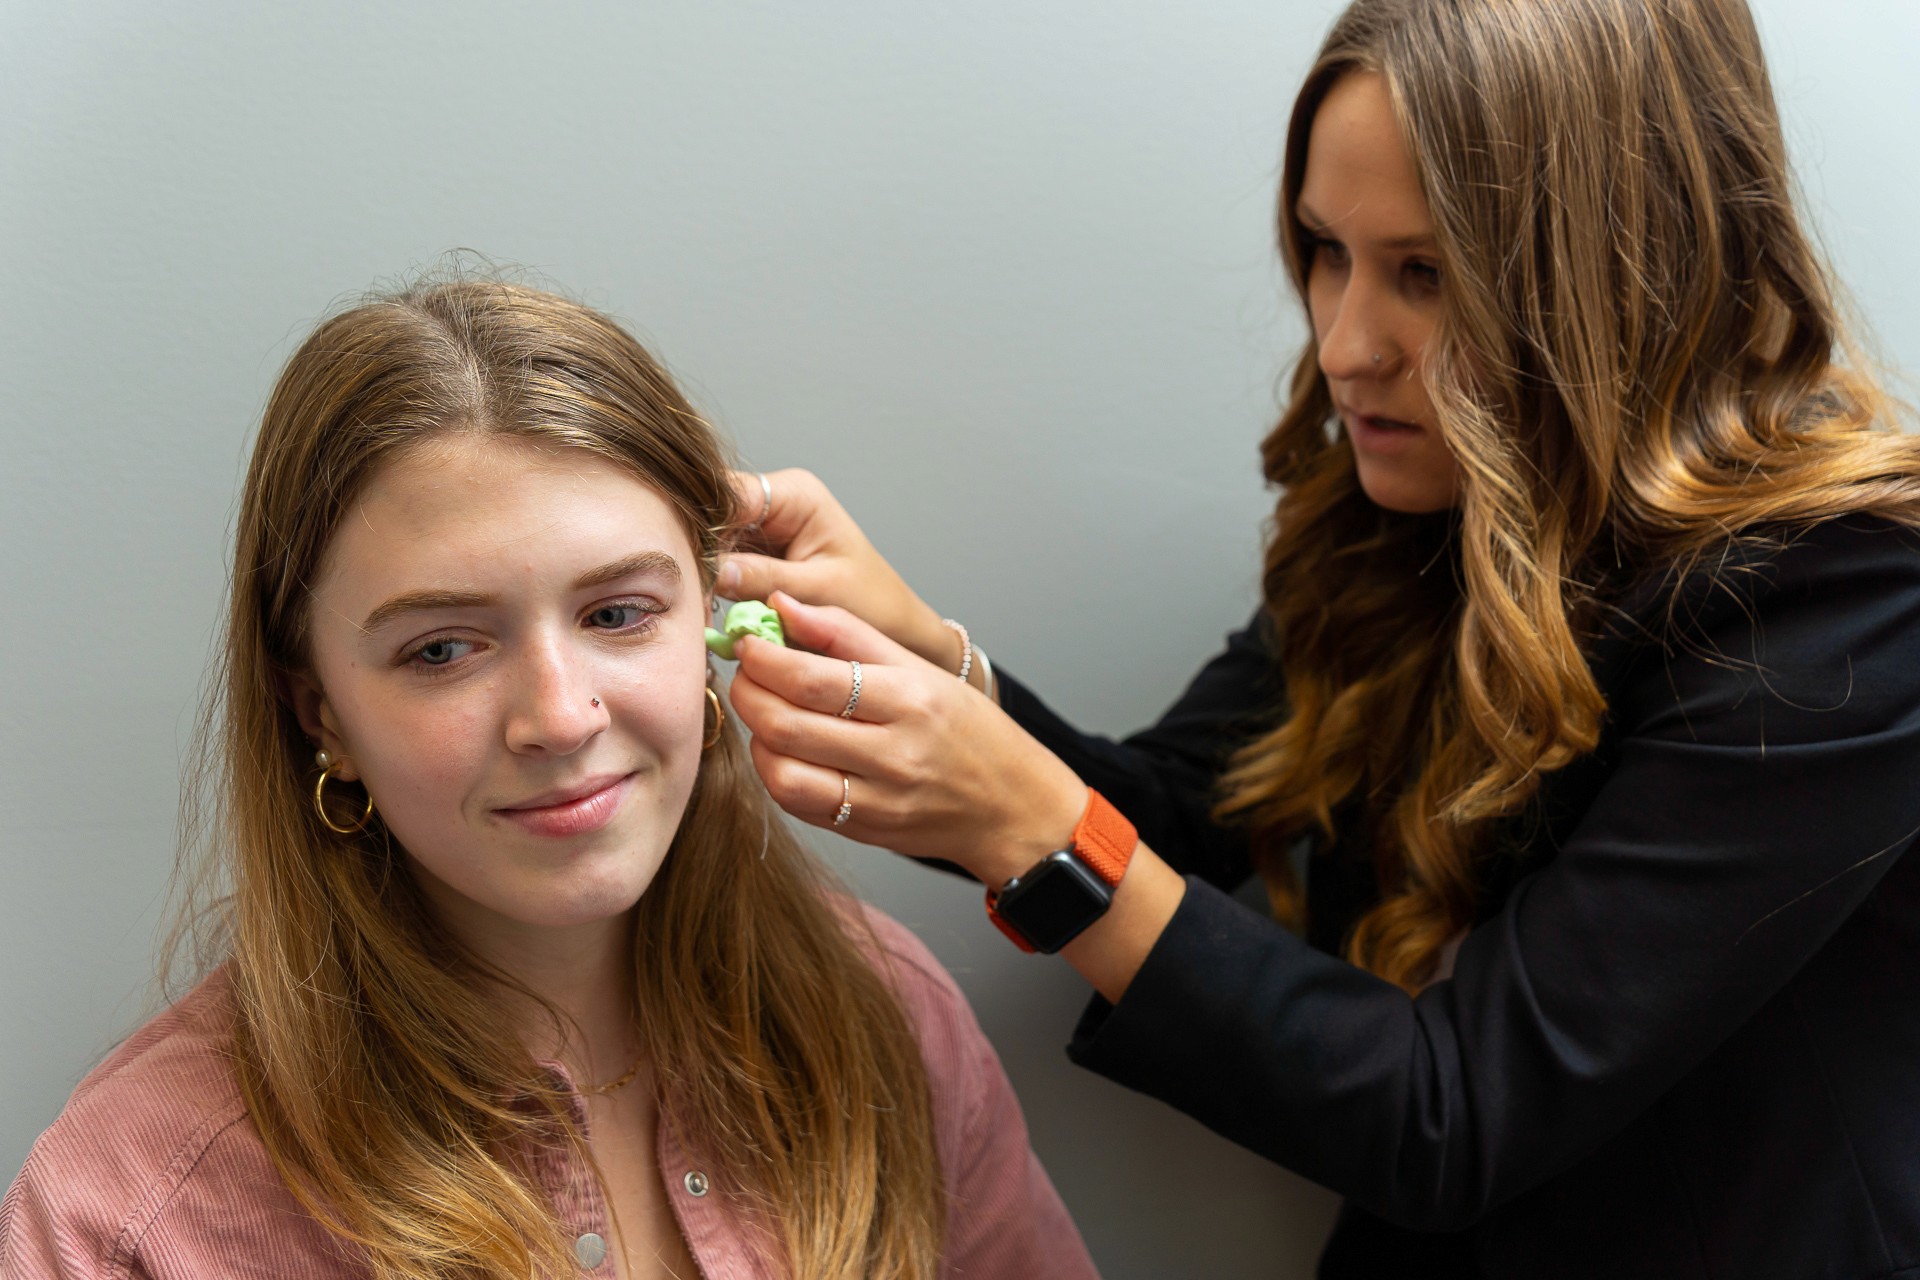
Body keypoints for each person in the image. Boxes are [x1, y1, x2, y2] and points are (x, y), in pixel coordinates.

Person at [711, 0, 1920, 1275]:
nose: (1343, 347)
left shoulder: (1844, 600)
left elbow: (1456, 1112)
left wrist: (1034, 833)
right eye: (1324, 250)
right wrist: (925, 654)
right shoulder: (1405, 513)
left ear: (1624, 272)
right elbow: (1178, 814)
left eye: (1425, 273)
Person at [0, 280, 1097, 1280]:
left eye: (619, 613)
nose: (561, 716)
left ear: (711, 631)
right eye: (442, 648)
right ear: (320, 712)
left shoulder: (889, 1014)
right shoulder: (128, 1223)